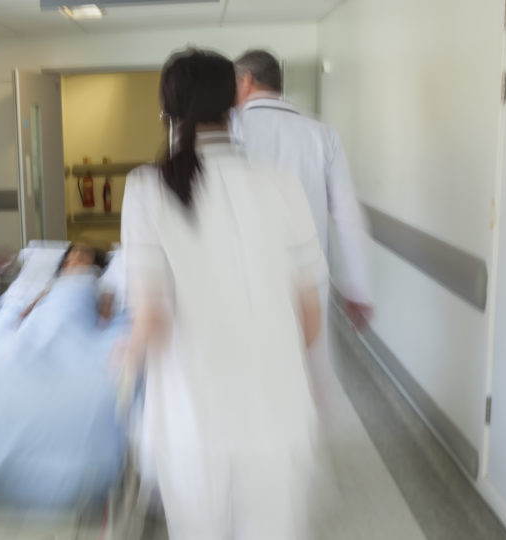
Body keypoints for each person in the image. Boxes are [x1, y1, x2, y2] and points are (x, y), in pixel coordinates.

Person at [120, 49, 329, 539]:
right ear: (234, 104)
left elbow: (151, 319)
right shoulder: (280, 183)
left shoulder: (147, 188)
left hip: (193, 417)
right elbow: (311, 316)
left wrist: (121, 366)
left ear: (168, 114)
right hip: (277, 412)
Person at [232, 49, 374, 331]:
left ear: (246, 80)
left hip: (249, 277)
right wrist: (359, 287)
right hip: (311, 279)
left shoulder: (231, 130)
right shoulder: (322, 133)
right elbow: (348, 215)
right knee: (310, 365)